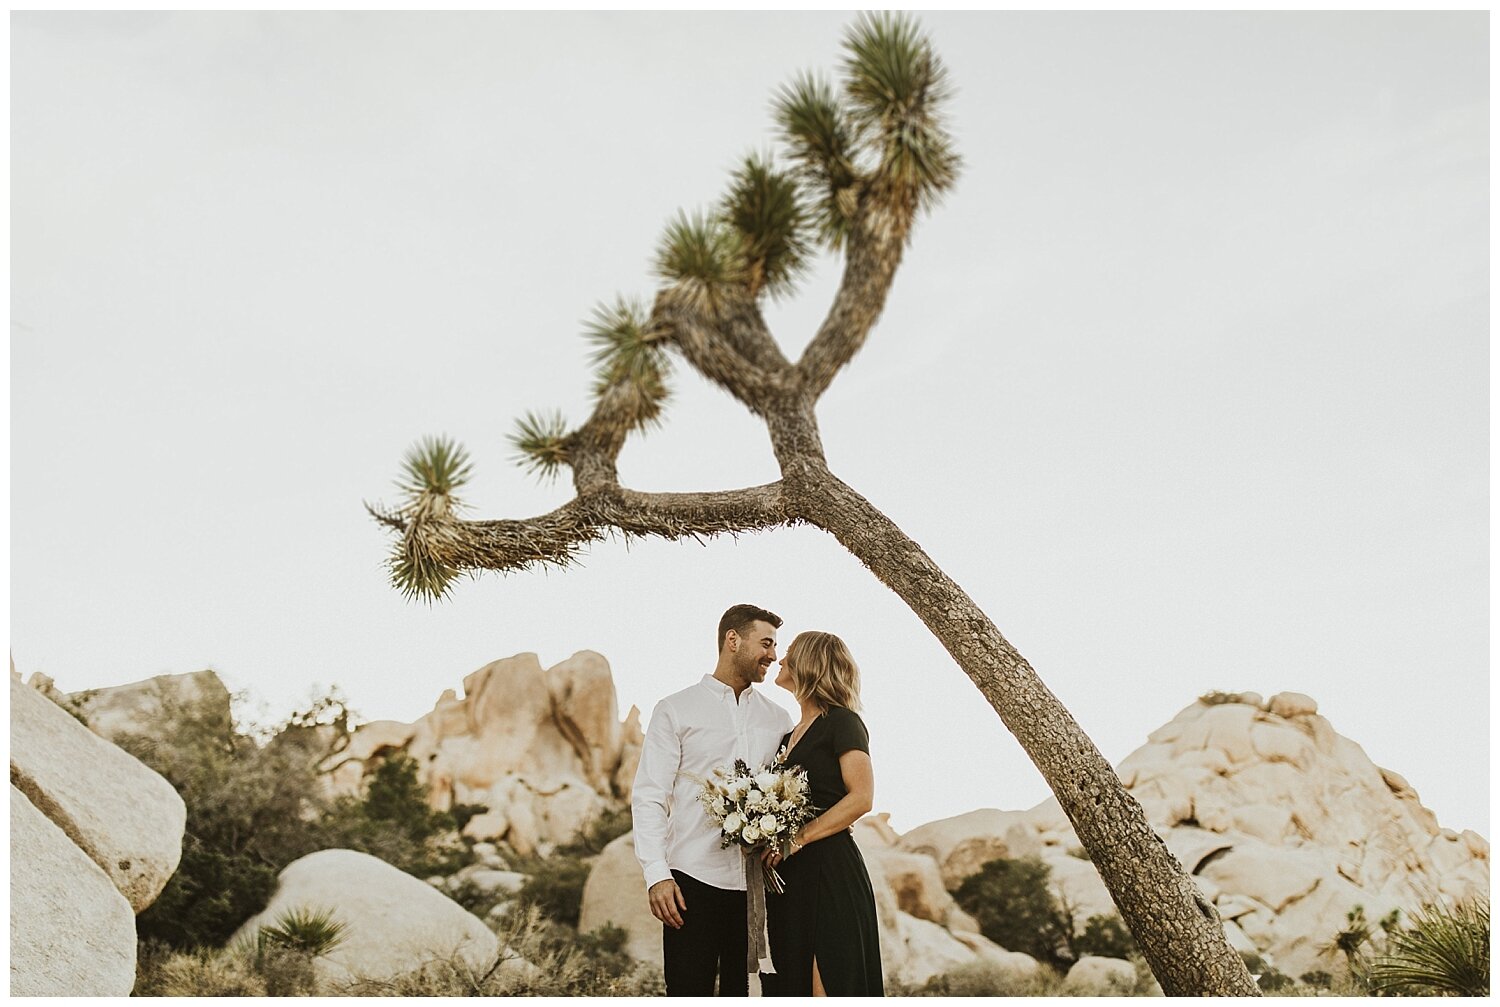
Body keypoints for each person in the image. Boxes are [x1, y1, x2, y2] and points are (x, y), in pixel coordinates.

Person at [632, 604, 794, 996]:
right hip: (691, 883)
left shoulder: (780, 720)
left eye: (775, 646)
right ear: (732, 640)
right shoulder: (675, 709)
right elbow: (651, 794)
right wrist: (657, 873)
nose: (773, 656)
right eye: (766, 643)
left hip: (759, 889)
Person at [759, 631, 884, 997]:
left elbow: (861, 797)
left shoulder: (843, 722)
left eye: (790, 654)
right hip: (789, 878)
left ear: (809, 665)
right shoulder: (787, 737)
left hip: (830, 871)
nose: (780, 660)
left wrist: (795, 839)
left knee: (827, 980)